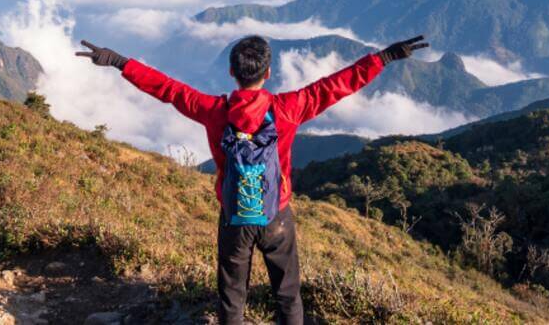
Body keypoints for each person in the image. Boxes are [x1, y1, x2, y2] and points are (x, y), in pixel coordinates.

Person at [75, 34, 428, 324]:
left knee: (232, 296)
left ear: (231, 72)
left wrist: (120, 61)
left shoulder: (214, 111)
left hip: (234, 217)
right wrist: (384, 57)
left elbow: (169, 90)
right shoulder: (288, 108)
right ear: (268, 72)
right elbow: (335, 86)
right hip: (277, 215)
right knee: (287, 294)